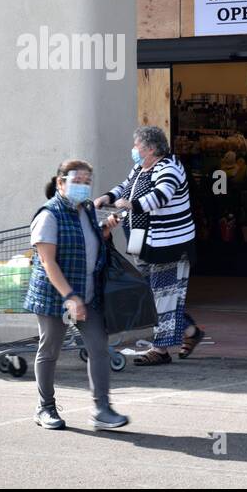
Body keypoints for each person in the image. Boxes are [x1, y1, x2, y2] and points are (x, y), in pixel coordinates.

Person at [27, 160, 129, 430]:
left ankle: (102, 409)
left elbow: (90, 242)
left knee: (99, 348)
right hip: (55, 296)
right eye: (77, 181)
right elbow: (48, 262)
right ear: (60, 183)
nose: (83, 186)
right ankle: (45, 407)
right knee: (49, 350)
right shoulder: (49, 215)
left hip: (87, 295)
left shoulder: (85, 210)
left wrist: (106, 228)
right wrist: (70, 297)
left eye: (87, 182)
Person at [99, 125, 204, 365]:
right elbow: (125, 187)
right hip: (145, 243)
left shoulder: (170, 167)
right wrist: (108, 197)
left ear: (152, 149)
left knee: (164, 296)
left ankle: (161, 350)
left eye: (138, 146)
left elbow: (160, 196)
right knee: (151, 295)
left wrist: (130, 205)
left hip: (169, 245)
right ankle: (190, 332)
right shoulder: (141, 166)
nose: (134, 150)